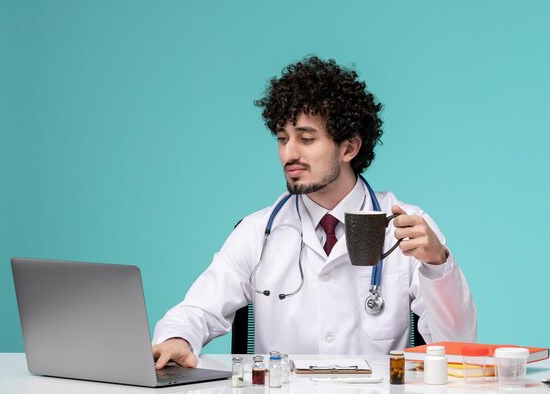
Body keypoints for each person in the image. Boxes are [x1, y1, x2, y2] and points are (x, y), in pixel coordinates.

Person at [152, 56, 477, 369]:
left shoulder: (406, 226)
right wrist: (177, 339)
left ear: (349, 148)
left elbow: (461, 346)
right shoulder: (258, 231)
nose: (289, 154)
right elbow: (198, 309)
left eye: (306, 139)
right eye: (282, 139)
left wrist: (437, 265)